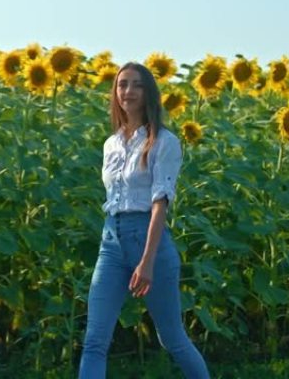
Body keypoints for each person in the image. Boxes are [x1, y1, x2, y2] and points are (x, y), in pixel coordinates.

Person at [78, 62, 210, 378]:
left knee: (172, 338)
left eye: (136, 85)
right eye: (122, 84)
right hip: (111, 241)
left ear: (148, 92)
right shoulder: (111, 144)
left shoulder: (164, 141)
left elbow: (159, 204)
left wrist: (147, 261)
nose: (128, 91)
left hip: (147, 240)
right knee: (95, 339)